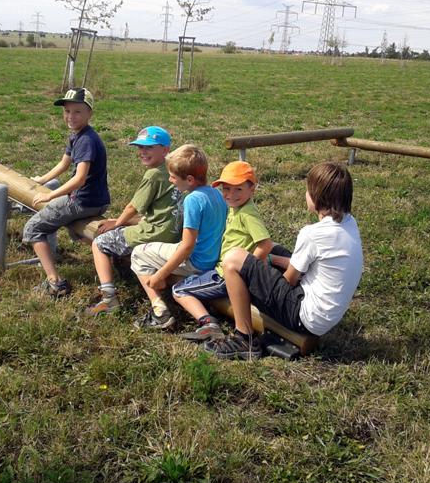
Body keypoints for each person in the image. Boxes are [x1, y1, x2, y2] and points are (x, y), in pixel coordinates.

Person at [205, 161, 363, 360]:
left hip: (304, 317)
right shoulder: (349, 223)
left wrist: (253, 274)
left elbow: (288, 280)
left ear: (316, 196)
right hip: (326, 317)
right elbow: (305, 265)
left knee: (234, 259)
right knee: (273, 249)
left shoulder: (312, 234)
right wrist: (269, 261)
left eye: (307, 190)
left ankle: (243, 338)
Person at [85, 126, 182, 315]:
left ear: (165, 150)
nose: (143, 152)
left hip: (155, 233)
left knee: (100, 242)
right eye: (140, 148)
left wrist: (117, 222)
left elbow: (133, 207)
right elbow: (158, 211)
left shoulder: (153, 174)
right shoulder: (174, 170)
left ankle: (109, 298)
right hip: (174, 232)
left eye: (149, 148)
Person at [23, 87, 110, 297]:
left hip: (84, 201)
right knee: (75, 228)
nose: (71, 116)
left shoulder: (86, 140)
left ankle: (55, 282)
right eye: (67, 111)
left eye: (77, 111)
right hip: (97, 199)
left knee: (33, 228)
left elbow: (79, 179)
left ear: (90, 113)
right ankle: (113, 260)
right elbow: (64, 164)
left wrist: (50, 195)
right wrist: (41, 180)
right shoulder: (77, 136)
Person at [172, 161, 273, 341]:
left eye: (238, 189)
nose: (230, 195)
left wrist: (247, 272)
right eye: (226, 189)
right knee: (190, 280)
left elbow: (265, 245)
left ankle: (208, 324)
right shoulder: (236, 208)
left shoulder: (247, 215)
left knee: (179, 289)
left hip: (225, 277)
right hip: (224, 271)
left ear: (252, 189)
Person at [130, 144, 227, 330]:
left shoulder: (192, 200)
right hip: (212, 258)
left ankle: (159, 311)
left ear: (189, 179)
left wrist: (160, 275)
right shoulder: (217, 193)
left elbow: (187, 246)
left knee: (138, 253)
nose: (170, 180)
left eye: (173, 177)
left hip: (196, 262)